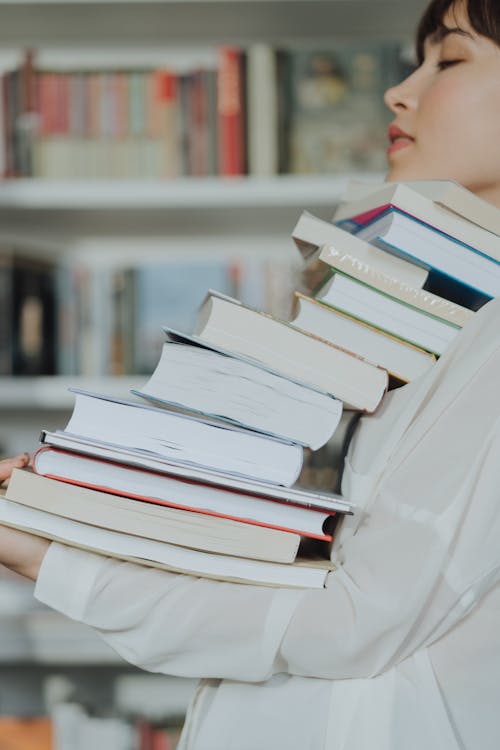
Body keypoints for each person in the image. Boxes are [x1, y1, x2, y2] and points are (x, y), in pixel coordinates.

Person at [1, 0, 500, 747]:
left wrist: (54, 561)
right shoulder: (450, 318)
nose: (400, 91)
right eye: (414, 60)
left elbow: (353, 624)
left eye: (449, 59)